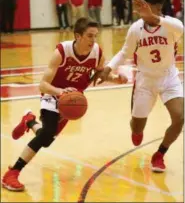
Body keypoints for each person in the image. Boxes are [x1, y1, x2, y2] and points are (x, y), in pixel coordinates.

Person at [2, 17, 127, 191]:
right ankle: (12, 173)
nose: (93, 40)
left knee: (47, 139)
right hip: (53, 94)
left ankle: (29, 121)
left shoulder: (97, 53)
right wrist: (61, 92)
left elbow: (99, 75)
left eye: (95, 36)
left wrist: (115, 79)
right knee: (46, 134)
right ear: (78, 35)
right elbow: (42, 85)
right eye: (90, 36)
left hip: (72, 100)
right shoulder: (62, 51)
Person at [94, 0, 184, 172]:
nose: (140, 10)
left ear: (157, 8)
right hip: (145, 80)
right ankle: (136, 126)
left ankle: (159, 154)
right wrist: (108, 69)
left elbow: (181, 29)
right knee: (137, 128)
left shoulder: (172, 25)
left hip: (169, 77)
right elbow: (125, 52)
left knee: (180, 117)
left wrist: (154, 17)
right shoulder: (136, 28)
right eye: (140, 6)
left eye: (145, 6)